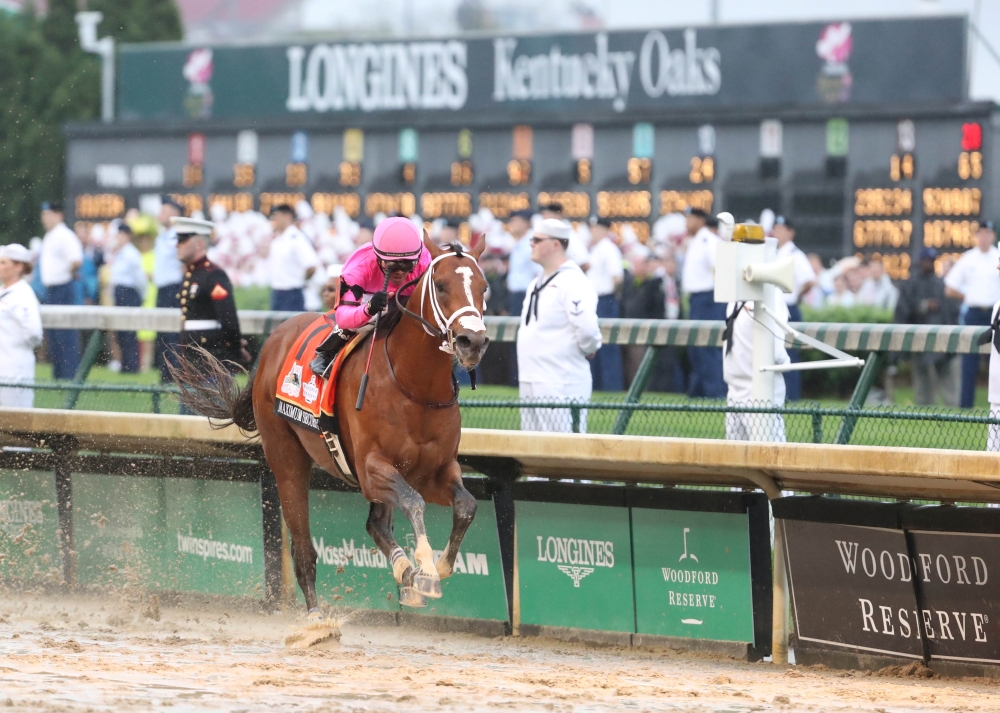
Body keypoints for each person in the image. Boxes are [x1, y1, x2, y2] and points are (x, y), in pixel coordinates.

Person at [309, 217, 432, 377]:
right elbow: (343, 317)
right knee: (367, 321)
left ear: (417, 258)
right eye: (392, 265)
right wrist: (368, 309)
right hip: (370, 297)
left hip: (407, 296)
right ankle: (326, 353)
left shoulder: (424, 260)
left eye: (407, 264)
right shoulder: (359, 267)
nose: (400, 271)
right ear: (378, 258)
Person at [516, 218, 602, 432]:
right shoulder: (536, 282)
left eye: (537, 239)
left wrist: (590, 347)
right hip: (531, 378)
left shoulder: (573, 281)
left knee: (564, 452)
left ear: (556, 244)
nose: (531, 244)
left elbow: (588, 329)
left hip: (560, 380)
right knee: (531, 453)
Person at [173, 217, 249, 383]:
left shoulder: (213, 275)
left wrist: (235, 350)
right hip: (192, 362)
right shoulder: (190, 275)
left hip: (212, 363)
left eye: (183, 240)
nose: (177, 244)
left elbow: (229, 320)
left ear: (200, 244)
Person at [893, 247, 960, 407]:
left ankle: (952, 408)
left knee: (946, 374)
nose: (928, 264)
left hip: (941, 337)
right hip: (919, 337)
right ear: (920, 262)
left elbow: (951, 311)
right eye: (925, 261)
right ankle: (924, 407)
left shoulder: (941, 284)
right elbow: (903, 311)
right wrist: (923, 306)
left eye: (931, 261)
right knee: (922, 375)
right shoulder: (911, 284)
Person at [945, 220, 1000, 408]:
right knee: (969, 363)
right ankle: (965, 407)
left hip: (995, 316)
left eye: (987, 233)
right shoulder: (968, 259)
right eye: (981, 233)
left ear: (993, 236)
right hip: (974, 314)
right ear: (977, 236)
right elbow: (950, 288)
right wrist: (968, 296)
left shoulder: (998, 256)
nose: (984, 237)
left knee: (997, 363)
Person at [723, 299, 790, 442]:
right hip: (761, 389)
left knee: (737, 459)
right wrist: (787, 362)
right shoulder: (772, 295)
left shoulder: (734, 296)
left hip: (735, 386)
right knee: (773, 457)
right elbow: (776, 352)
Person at [681, 206, 725, 398]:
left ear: (700, 220)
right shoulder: (697, 241)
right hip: (697, 300)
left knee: (708, 347)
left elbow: (721, 270)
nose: (687, 222)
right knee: (697, 348)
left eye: (690, 218)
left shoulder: (709, 241)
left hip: (709, 299)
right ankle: (698, 391)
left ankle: (714, 393)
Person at [773, 216, 816, 401]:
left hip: (789, 309)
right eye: (776, 228)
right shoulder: (774, 252)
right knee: (775, 353)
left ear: (790, 232)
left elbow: (809, 280)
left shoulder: (795, 254)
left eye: (782, 229)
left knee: (789, 354)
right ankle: (779, 396)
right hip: (774, 310)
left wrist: (796, 295)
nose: (778, 232)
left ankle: (791, 396)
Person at [39, 202, 83, 380]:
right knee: (54, 335)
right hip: (50, 289)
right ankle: (58, 375)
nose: (45, 219)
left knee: (66, 334)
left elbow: (76, 260)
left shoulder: (65, 235)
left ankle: (69, 374)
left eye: (48, 215)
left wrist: (68, 274)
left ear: (58, 215)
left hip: (62, 287)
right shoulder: (50, 236)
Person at [0, 244, 43, 407]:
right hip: (3, 367)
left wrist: (15, 348)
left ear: (19, 266)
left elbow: (34, 333)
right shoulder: (4, 291)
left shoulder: (23, 294)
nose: (0, 266)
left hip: (15, 371)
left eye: (4, 263)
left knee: (17, 424)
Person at [586, 217, 624, 392]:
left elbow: (617, 277)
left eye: (596, 228)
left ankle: (612, 387)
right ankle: (599, 386)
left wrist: (611, 296)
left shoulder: (609, 248)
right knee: (595, 345)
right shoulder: (596, 248)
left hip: (605, 300)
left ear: (604, 229)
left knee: (608, 345)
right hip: (594, 301)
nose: (593, 231)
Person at [109, 225, 148, 374]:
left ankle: (132, 366)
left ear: (127, 236)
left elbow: (140, 278)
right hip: (120, 293)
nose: (118, 238)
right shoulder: (120, 253)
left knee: (129, 332)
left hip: (129, 293)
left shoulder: (132, 253)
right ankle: (125, 365)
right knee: (121, 332)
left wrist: (141, 296)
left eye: (120, 235)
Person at [267, 204, 320, 312]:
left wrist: (299, 279)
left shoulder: (297, 238)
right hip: (277, 293)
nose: (274, 220)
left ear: (287, 216)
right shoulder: (277, 240)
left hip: (292, 293)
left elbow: (311, 266)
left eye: (276, 216)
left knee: (293, 327)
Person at [153, 196, 185, 381]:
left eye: (164, 210)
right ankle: (165, 374)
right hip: (162, 290)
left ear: (174, 213)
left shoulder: (180, 234)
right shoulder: (163, 236)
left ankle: (175, 374)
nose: (160, 215)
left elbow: (183, 263)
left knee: (173, 333)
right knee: (163, 333)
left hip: (174, 289)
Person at [504, 209, 539, 317]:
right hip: (516, 295)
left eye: (515, 221)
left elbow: (537, 272)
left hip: (526, 295)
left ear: (526, 223)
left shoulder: (530, 243)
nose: (512, 224)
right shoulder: (519, 242)